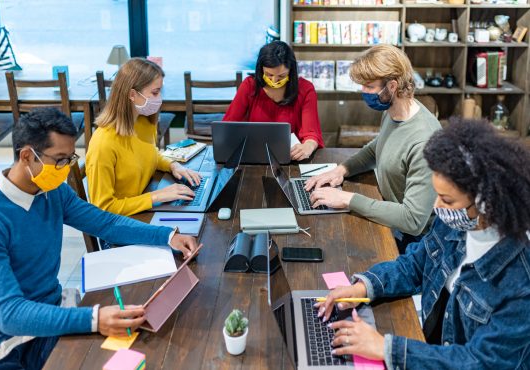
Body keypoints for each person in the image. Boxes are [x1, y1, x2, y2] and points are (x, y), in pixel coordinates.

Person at [0, 108, 201, 369]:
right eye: (59, 160)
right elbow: (8, 313)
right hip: (10, 344)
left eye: (69, 159)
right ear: (26, 156)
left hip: (53, 314)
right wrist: (94, 318)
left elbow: (105, 222)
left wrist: (168, 236)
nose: (65, 170)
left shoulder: (53, 191)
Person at [316, 119, 530, 369]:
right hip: (430, 349)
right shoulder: (459, 223)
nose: (437, 206)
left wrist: (386, 348)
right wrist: (365, 286)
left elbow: (480, 362)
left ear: (486, 202)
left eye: (447, 200)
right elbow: (417, 264)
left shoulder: (520, 283)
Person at [305, 45, 441, 253]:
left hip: (416, 242)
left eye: (369, 86)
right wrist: (341, 170)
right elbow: (378, 147)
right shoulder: (394, 111)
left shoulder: (424, 141)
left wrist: (347, 199)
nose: (363, 92)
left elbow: (413, 220)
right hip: (391, 216)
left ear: (393, 86)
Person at [86, 58, 201, 217]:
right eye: (155, 92)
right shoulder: (103, 144)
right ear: (132, 94)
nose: (159, 98)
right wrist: (156, 196)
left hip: (142, 209)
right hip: (121, 223)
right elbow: (102, 208)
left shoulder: (143, 122)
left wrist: (174, 166)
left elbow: (149, 154)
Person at [223, 41, 324, 161]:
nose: (275, 81)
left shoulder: (305, 89)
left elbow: (311, 132)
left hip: (291, 158)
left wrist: (308, 146)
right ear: (261, 69)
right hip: (253, 156)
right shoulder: (250, 86)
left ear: (291, 71)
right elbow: (228, 126)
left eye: (281, 76)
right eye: (269, 75)